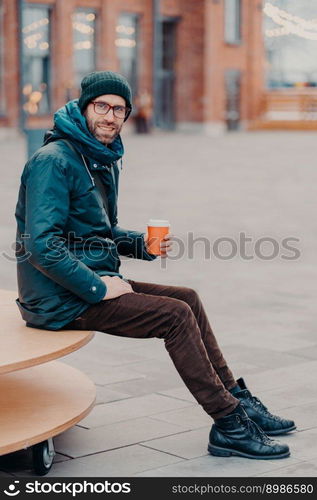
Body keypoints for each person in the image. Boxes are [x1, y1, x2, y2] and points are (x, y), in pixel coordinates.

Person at [15, 71, 296, 461]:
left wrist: (142, 245)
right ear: (84, 107)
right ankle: (229, 424)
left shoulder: (96, 157)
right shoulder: (54, 161)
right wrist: (98, 288)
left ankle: (237, 399)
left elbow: (98, 230)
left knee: (188, 298)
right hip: (57, 297)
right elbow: (43, 246)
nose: (111, 117)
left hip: (86, 280)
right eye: (102, 106)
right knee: (175, 316)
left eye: (120, 109)